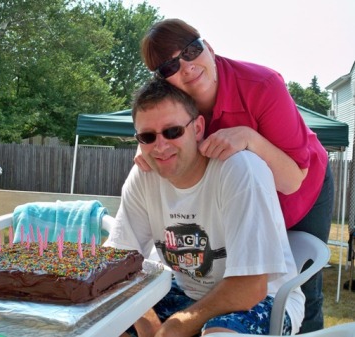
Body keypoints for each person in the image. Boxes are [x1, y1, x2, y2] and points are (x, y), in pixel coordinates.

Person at [135, 18, 333, 333]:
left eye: (191, 50)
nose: (185, 67)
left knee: (300, 283)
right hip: (247, 196)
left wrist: (249, 138)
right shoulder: (181, 110)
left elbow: (293, 179)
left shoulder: (262, 85)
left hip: (301, 190)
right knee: (230, 270)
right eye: (169, 67)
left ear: (209, 47)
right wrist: (157, 143)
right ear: (161, 80)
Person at [104, 79, 305, 336]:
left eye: (173, 131)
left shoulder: (239, 170)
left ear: (198, 128)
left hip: (266, 298)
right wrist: (147, 322)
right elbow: (117, 263)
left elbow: (252, 287)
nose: (161, 146)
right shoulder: (144, 175)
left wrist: (173, 328)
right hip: (187, 293)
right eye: (147, 137)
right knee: (108, 324)